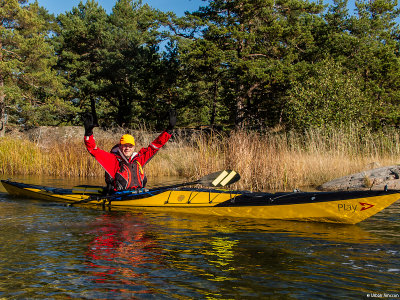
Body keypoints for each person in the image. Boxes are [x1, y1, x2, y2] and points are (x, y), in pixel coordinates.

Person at [83, 110, 176, 192]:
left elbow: (155, 146)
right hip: (118, 197)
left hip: (138, 193)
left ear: (134, 147)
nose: (127, 148)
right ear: (120, 146)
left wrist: (169, 130)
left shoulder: (139, 159)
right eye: (125, 146)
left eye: (130, 146)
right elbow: (93, 150)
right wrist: (88, 133)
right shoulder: (112, 160)